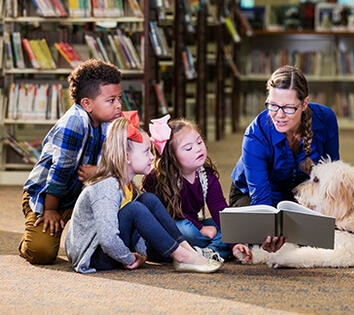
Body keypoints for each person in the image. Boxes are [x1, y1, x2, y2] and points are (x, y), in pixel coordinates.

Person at [65, 112, 222, 274]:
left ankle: (185, 249)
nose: (152, 157)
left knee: (148, 199)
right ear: (127, 157)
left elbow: (137, 227)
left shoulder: (129, 186)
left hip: (112, 249)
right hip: (94, 256)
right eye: (146, 151)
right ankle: (182, 256)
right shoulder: (107, 186)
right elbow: (107, 239)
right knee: (135, 209)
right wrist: (129, 258)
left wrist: (141, 254)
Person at [19, 59, 123, 265]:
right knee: (41, 253)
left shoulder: (109, 121)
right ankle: (27, 242)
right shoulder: (75, 123)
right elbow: (59, 172)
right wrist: (50, 210)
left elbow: (121, 163)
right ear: (87, 104)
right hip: (48, 197)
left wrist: (100, 171)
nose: (119, 104)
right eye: (111, 100)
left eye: (119, 98)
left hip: (80, 195)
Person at [229, 65, 340, 253]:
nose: (279, 115)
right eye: (272, 105)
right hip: (254, 197)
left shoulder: (326, 118)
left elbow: (332, 174)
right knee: (261, 235)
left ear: (304, 104)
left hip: (302, 197)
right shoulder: (254, 135)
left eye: (288, 108)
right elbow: (261, 201)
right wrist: (268, 229)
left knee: (352, 227)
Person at [143, 117, 252, 262]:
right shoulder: (157, 178)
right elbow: (167, 214)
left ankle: (205, 253)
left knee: (231, 225)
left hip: (195, 225)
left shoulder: (206, 176)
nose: (198, 148)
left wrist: (234, 243)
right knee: (187, 230)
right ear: (172, 157)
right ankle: (207, 249)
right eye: (188, 148)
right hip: (169, 228)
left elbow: (220, 209)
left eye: (199, 142)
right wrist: (200, 229)